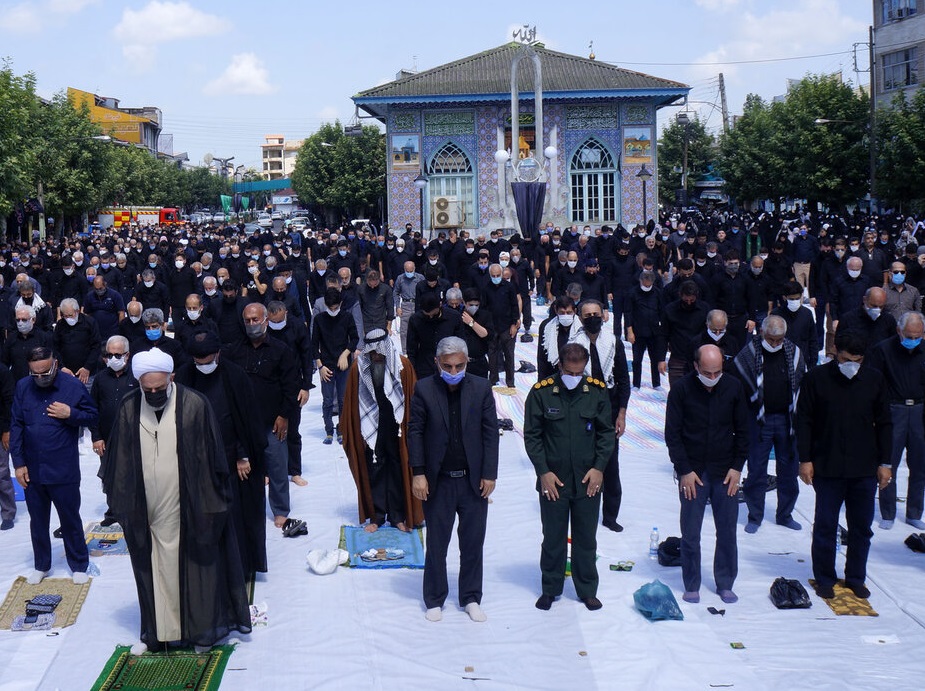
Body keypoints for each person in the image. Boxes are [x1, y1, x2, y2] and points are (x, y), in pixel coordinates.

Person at [100, 348, 251, 653]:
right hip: (147, 510)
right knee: (152, 569)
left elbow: (211, 460)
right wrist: (126, 505)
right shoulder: (129, 407)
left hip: (187, 506)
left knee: (196, 568)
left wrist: (206, 505)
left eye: (159, 388)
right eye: (148, 389)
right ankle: (159, 633)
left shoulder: (194, 405)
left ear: (171, 377)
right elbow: (121, 461)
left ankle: (200, 632)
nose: (154, 394)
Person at [797, 330, 893, 600]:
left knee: (861, 527)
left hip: (864, 468)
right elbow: (803, 421)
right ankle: (825, 577)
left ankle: (855, 577)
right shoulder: (816, 379)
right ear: (835, 353)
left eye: (857, 359)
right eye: (845, 358)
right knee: (826, 525)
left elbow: (885, 423)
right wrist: (805, 459)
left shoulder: (874, 380)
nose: (851, 364)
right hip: (827, 466)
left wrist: (885, 462)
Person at [408, 336, 498, 623]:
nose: (453, 371)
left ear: (466, 362)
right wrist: (418, 473)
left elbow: (489, 432)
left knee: (473, 542)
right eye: (447, 366)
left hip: (472, 481)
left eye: (459, 365)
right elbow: (415, 432)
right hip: (439, 481)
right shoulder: (424, 389)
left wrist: (489, 473)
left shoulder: (481, 387)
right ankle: (435, 598)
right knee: (438, 542)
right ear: (437, 363)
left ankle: (471, 597)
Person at [524, 343, 614, 611]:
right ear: (560, 365)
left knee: (586, 537)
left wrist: (599, 468)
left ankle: (587, 589)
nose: (574, 378)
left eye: (579, 373)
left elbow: (606, 433)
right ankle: (550, 588)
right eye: (569, 372)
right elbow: (532, 435)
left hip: (588, 479)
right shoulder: (542, 393)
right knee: (553, 537)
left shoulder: (596, 391)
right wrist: (543, 472)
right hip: (554, 480)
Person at [175, 331, 269, 578]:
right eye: (199, 362)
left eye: (207, 361)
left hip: (231, 458)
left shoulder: (234, 375)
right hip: (196, 457)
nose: (203, 366)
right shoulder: (185, 374)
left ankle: (241, 566)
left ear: (217, 354)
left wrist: (243, 455)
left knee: (236, 513)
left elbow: (246, 419)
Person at [665, 344, 749, 604]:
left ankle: (725, 582)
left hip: (725, 471)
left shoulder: (734, 387)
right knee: (691, 531)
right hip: (694, 472)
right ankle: (692, 583)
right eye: (707, 373)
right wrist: (684, 471)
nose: (712, 378)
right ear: (695, 366)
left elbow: (744, 431)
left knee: (727, 531)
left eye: (717, 373)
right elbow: (673, 435)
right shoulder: (681, 390)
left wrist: (737, 467)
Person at [11, 346, 99, 584]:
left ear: (56, 364)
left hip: (63, 468)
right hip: (32, 468)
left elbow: (92, 416)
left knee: (69, 518)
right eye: (35, 374)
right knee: (37, 521)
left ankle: (79, 563)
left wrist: (70, 413)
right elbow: (17, 425)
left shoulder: (72, 386)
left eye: (45, 373)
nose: (40, 378)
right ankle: (42, 564)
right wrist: (18, 464)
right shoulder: (22, 387)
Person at [342, 329, 423, 532]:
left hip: (396, 426)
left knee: (397, 467)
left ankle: (397, 516)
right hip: (371, 427)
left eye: (379, 350)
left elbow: (413, 399)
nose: (376, 355)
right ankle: (377, 516)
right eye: (372, 351)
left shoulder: (402, 365)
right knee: (375, 468)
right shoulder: (358, 369)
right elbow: (351, 402)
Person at [227, 303, 299, 528]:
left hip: (272, 422)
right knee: (244, 469)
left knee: (277, 465)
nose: (251, 324)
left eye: (255, 320)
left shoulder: (281, 350)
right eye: (247, 320)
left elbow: (291, 385)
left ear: (265, 320)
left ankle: (280, 510)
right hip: (243, 423)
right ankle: (248, 509)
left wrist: (284, 415)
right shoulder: (234, 350)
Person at [733, 315, 805, 534]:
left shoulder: (794, 352)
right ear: (762, 333)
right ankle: (755, 516)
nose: (775, 344)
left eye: (779, 339)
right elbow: (739, 389)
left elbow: (803, 384)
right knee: (756, 470)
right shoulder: (748, 354)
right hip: (758, 420)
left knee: (789, 470)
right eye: (771, 339)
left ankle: (785, 515)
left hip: (787, 419)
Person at [569, 300, 630, 532]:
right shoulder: (574, 345)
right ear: (580, 317)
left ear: (603, 315)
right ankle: (583, 511)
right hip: (582, 409)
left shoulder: (613, 342)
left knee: (610, 463)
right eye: (587, 315)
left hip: (610, 409)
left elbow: (623, 380)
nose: (592, 318)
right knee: (583, 463)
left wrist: (621, 414)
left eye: (596, 313)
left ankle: (610, 515)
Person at [864, 311, 925, 531]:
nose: (913, 340)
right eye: (909, 335)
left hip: (919, 410)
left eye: (917, 336)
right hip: (893, 410)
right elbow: (872, 384)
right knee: (888, 462)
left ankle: (915, 512)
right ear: (899, 331)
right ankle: (887, 512)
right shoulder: (883, 350)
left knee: (920, 465)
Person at [89, 336, 139, 526]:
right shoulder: (101, 378)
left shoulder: (137, 376)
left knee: (133, 474)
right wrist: (96, 437)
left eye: (117, 355)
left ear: (127, 355)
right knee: (110, 475)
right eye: (109, 355)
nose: (113, 358)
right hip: (107, 437)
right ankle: (113, 510)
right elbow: (92, 409)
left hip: (133, 436)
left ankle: (135, 510)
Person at [311, 288, 358, 444]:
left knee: (344, 399)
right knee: (328, 400)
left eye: (336, 307)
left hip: (343, 364)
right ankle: (329, 430)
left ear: (340, 304)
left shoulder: (347, 317)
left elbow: (355, 338)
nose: (333, 310)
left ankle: (342, 428)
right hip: (326, 365)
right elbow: (313, 344)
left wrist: (346, 354)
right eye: (330, 308)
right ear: (325, 304)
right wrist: (320, 366)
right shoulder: (319, 319)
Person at [52, 298, 101, 386]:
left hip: (87, 374)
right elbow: (55, 347)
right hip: (66, 373)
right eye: (65, 316)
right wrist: (62, 367)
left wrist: (87, 367)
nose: (67, 318)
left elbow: (96, 346)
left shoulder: (90, 323)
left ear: (77, 311)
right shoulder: (60, 325)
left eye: (70, 315)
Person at [0, 366, 13, 530]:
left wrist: (6, 430)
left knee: (1, 473)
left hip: (1, 428)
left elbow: (9, 401)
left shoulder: (2, 371)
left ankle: (8, 513)